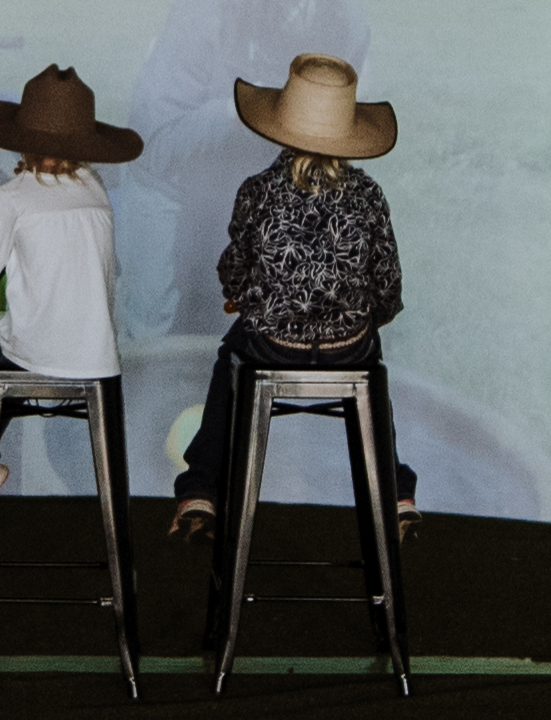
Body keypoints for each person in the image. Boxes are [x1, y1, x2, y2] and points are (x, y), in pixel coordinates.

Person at [172, 51, 413, 544]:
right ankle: (394, 491)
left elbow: (236, 266)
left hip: (270, 347)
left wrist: (240, 296)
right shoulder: (369, 196)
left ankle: (201, 490)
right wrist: (359, 322)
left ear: (280, 126)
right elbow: (387, 284)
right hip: (350, 349)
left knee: (228, 361)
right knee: (374, 369)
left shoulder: (258, 190)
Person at [0, 64, 138, 513]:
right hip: (98, 358)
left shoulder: (12, 196)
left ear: (20, 138)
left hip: (36, 354)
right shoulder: (95, 188)